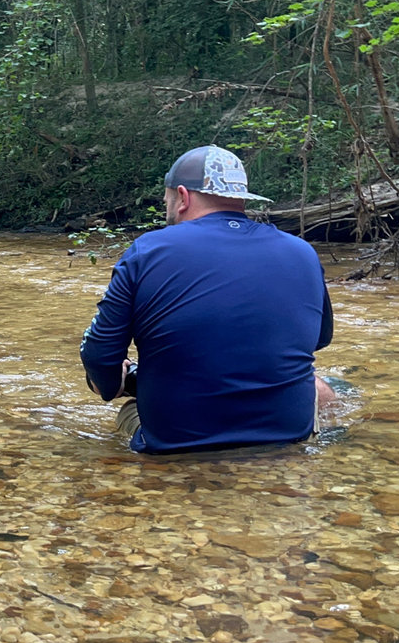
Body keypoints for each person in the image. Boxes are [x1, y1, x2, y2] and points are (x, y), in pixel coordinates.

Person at [80, 145, 335, 454]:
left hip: (176, 444)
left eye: (168, 201)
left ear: (183, 197)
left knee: (128, 410)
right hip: (287, 437)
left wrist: (111, 384)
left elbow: (98, 354)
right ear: (241, 197)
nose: (167, 208)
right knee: (322, 387)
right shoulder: (302, 252)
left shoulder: (148, 251)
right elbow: (319, 339)